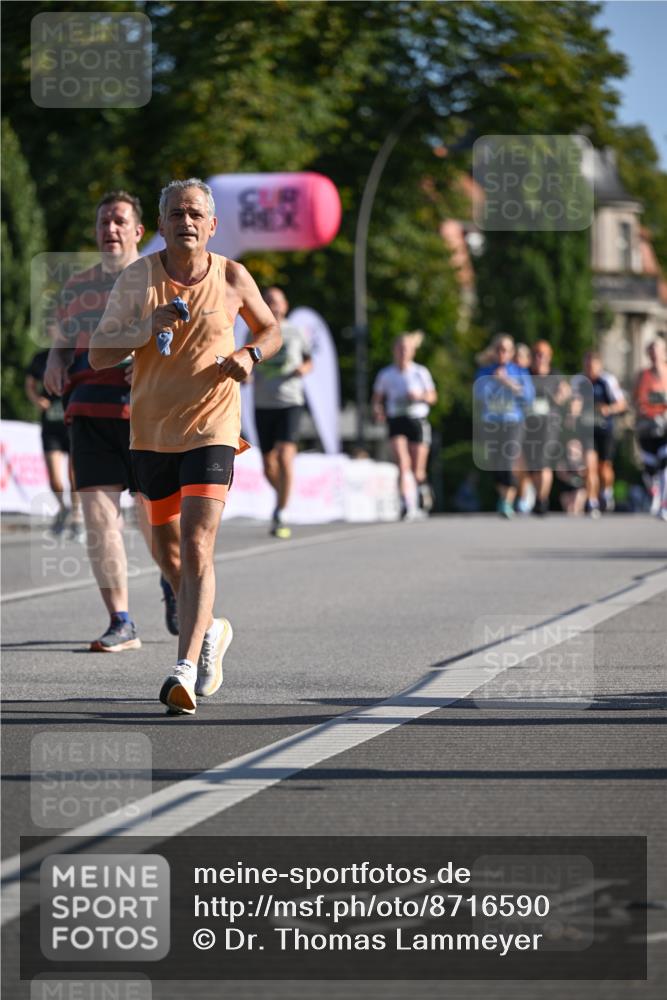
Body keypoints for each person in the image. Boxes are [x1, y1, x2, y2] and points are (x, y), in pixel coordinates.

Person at [89, 178, 282, 715]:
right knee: (168, 551)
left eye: (196, 213)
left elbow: (270, 330)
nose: (187, 221)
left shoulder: (233, 276)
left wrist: (251, 356)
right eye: (176, 213)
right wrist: (145, 328)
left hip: (213, 427)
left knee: (198, 544)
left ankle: (184, 667)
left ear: (212, 225)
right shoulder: (138, 279)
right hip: (152, 433)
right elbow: (100, 355)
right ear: (163, 225)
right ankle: (212, 629)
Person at [44, 191, 179, 650]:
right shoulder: (77, 286)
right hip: (87, 411)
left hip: (146, 413)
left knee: (153, 519)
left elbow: (183, 341)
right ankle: (121, 620)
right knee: (101, 519)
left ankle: (173, 582)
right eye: (104, 221)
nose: (111, 229)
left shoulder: (158, 279)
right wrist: (54, 362)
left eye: (120, 221)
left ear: (139, 231)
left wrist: (146, 359)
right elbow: (63, 338)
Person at [252, 286, 312, 539]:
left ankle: (282, 510)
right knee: (268, 465)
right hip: (263, 403)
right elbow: (248, 360)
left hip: (290, 401)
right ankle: (283, 496)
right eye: (268, 302)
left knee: (285, 455)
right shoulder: (255, 331)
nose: (273, 306)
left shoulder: (295, 332)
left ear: (285, 305)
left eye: (276, 301)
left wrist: (304, 369)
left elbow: (309, 359)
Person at [372, 332, 437, 519]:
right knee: (402, 464)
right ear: (394, 351)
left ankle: (422, 492)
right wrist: (378, 409)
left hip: (417, 420)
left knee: (417, 470)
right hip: (396, 419)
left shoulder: (420, 372)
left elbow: (433, 397)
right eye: (399, 348)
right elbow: (377, 398)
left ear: (412, 352)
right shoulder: (386, 374)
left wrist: (420, 396)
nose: (402, 352)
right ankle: (405, 504)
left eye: (406, 349)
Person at [25, 344, 83, 539]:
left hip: (73, 424)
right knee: (54, 478)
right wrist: (37, 400)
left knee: (74, 476)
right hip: (51, 427)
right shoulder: (41, 357)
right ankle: (62, 508)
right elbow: (30, 384)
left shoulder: (77, 355)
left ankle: (76, 516)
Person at [474, 333, 534, 518]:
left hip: (513, 421)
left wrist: (507, 382)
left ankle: (508, 500)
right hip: (492, 422)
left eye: (506, 350)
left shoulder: (519, 372)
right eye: (499, 349)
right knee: (496, 464)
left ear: (511, 352)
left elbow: (528, 396)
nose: (502, 353)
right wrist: (493, 380)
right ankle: (504, 498)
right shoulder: (484, 372)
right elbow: (479, 396)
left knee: (508, 459)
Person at [571, 351, 627, 517]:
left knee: (605, 468)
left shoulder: (607, 381)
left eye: (593, 365)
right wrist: (574, 411)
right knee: (590, 466)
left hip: (605, 429)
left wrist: (608, 409)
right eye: (587, 365)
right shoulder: (578, 381)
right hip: (586, 430)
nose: (590, 369)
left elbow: (622, 404)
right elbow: (575, 401)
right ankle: (592, 501)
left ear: (599, 365)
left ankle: (606, 491)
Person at [523, 340, 572, 515]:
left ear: (549, 357)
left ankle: (541, 500)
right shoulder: (526, 374)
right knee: (532, 465)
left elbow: (566, 391)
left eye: (543, 354)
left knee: (544, 463)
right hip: (528, 425)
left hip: (549, 426)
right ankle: (536, 496)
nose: (539, 357)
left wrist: (561, 396)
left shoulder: (555, 375)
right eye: (536, 353)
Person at [633, 338, 667, 520]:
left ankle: (664, 504)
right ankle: (654, 493)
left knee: (665, 463)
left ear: (664, 352)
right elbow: (634, 399)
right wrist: (640, 409)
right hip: (647, 427)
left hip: (665, 426)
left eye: (658, 350)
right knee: (650, 469)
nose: (654, 354)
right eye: (651, 351)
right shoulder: (642, 375)